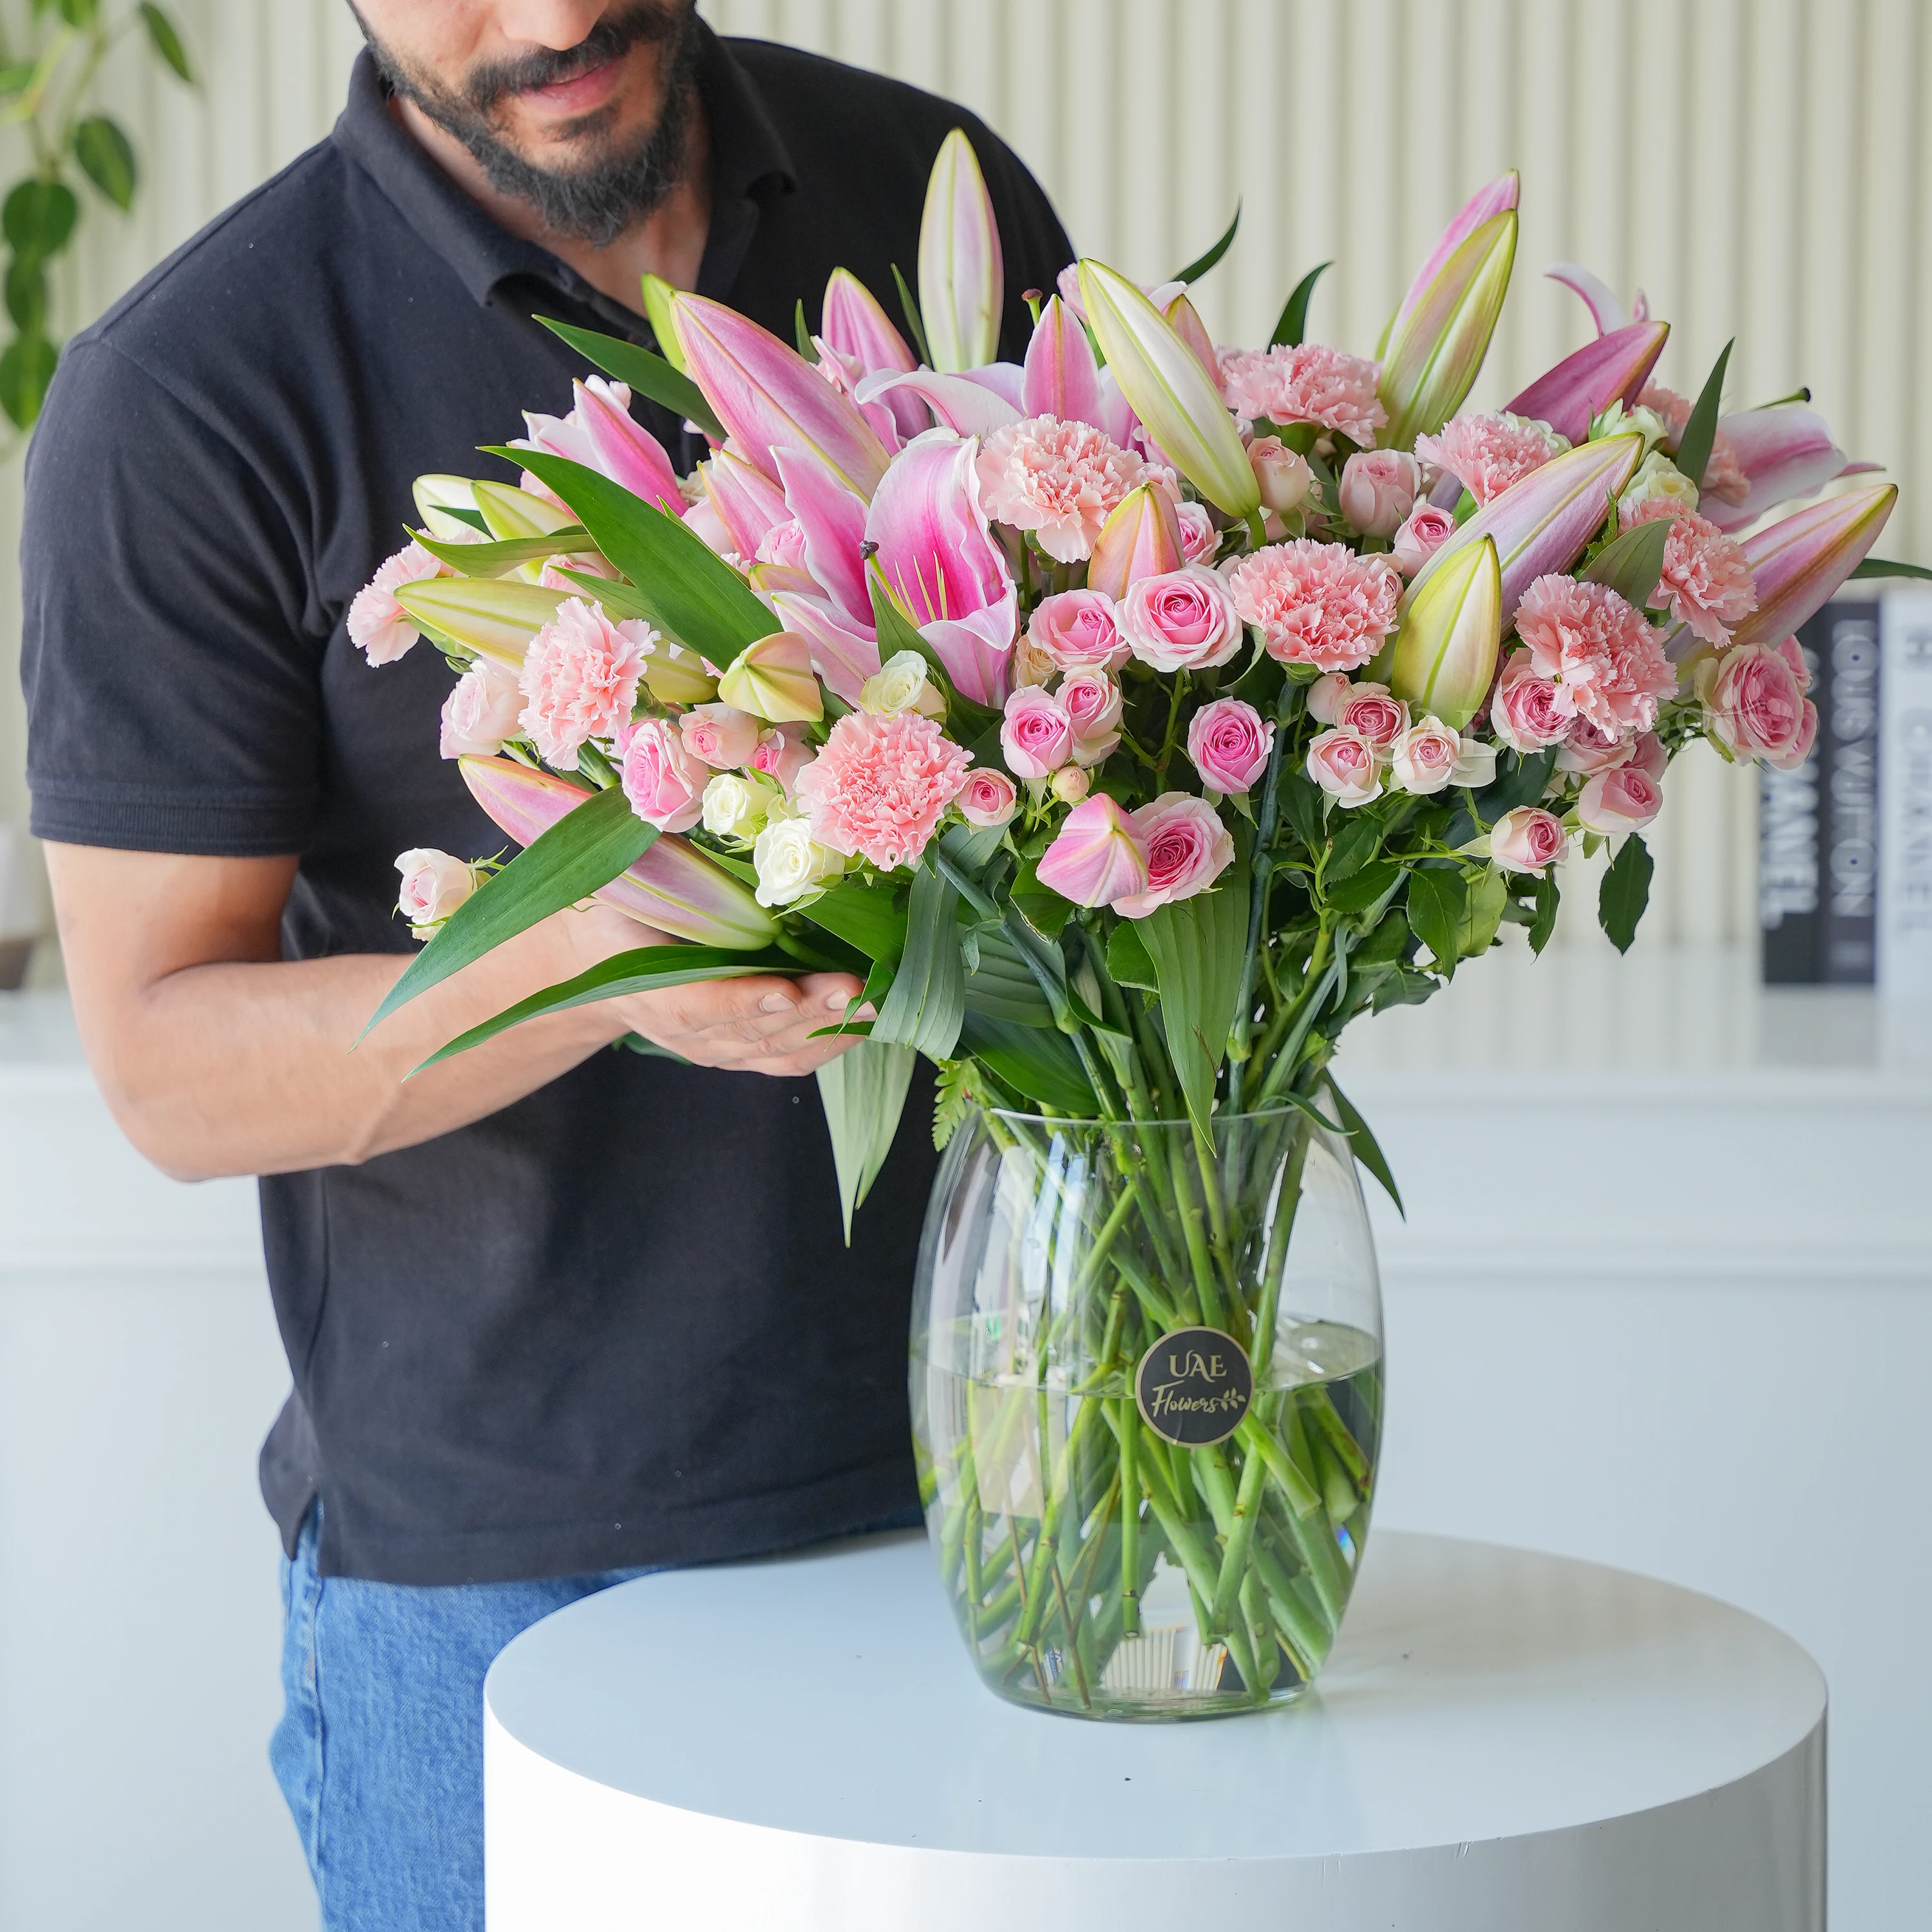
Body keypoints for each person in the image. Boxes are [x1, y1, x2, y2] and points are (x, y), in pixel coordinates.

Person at [18, 3, 1072, 1924]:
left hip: (991, 1480)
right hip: (497, 1587)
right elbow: (167, 1065)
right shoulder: (195, 387)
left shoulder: (925, 196)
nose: (556, 13)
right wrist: (601, 954)